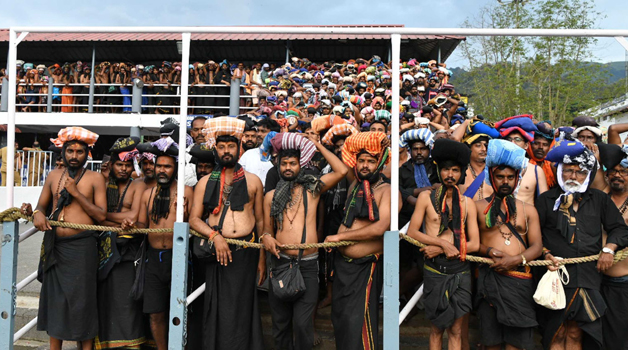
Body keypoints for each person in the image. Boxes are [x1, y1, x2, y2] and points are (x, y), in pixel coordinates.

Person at [536, 138, 628, 350]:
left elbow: (620, 229)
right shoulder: (546, 200)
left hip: (588, 275)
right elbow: (534, 237)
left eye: (580, 172)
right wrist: (545, 254)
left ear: (588, 175)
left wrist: (609, 248)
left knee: (577, 333)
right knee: (556, 333)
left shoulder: (599, 199)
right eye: (568, 170)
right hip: (554, 276)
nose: (573, 176)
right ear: (560, 171)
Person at [261, 132, 348, 350]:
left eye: (292, 163)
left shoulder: (313, 188)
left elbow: (342, 170)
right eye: (284, 164)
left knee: (302, 324)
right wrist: (267, 238)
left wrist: (318, 144)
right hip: (279, 264)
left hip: (307, 266)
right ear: (278, 166)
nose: (287, 168)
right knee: (280, 325)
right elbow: (265, 229)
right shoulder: (270, 196)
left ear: (302, 165)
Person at [188, 117, 265, 350]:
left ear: (239, 148)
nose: (226, 151)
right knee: (215, 306)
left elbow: (261, 220)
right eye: (221, 147)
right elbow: (193, 220)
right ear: (215, 149)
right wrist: (215, 236)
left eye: (231, 146)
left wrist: (262, 258)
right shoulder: (203, 182)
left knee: (243, 307)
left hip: (245, 253)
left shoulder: (253, 182)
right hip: (215, 251)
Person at [27, 127, 105, 350]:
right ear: (63, 153)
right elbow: (42, 205)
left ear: (87, 154)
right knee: (56, 302)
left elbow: (100, 215)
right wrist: (38, 214)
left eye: (80, 152)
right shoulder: (53, 176)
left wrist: (77, 193)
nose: (74, 156)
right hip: (56, 247)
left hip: (83, 249)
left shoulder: (95, 178)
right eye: (70, 151)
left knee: (83, 302)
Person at [406, 138, 480, 350]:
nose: (450, 175)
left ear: (461, 172)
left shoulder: (468, 203)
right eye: (446, 170)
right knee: (437, 328)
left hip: (460, 271)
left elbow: (475, 243)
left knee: (456, 330)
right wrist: (442, 243)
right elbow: (412, 232)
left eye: (455, 170)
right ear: (439, 171)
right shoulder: (426, 198)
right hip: (434, 270)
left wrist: (442, 248)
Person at [121, 137, 194, 350]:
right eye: (158, 166)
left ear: (175, 169)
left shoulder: (186, 193)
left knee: (179, 310)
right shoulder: (146, 194)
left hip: (178, 257)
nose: (162, 170)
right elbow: (142, 224)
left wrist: (186, 214)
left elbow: (194, 224)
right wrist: (129, 224)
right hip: (153, 259)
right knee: (155, 313)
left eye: (167, 166)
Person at [325, 131, 395, 350]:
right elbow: (341, 168)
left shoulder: (388, 191)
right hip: (342, 267)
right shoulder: (355, 185)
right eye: (361, 160)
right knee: (342, 320)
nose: (365, 165)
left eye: (371, 161)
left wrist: (340, 237)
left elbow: (380, 227)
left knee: (359, 323)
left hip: (365, 267)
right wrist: (318, 144)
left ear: (380, 163)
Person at [474, 139, 543, 350]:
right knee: (491, 342)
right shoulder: (476, 208)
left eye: (510, 177)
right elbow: (471, 243)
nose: (506, 182)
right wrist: (488, 250)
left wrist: (516, 259)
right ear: (491, 177)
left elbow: (537, 246)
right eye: (500, 177)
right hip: (489, 279)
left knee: (517, 344)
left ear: (517, 179)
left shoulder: (528, 210)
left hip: (519, 282)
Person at [95, 136, 146, 349]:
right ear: (111, 165)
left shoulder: (137, 186)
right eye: (119, 164)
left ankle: (130, 344)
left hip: (128, 252)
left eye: (127, 165)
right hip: (102, 250)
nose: (124, 169)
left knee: (126, 302)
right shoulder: (103, 184)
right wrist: (104, 217)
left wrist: (102, 216)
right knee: (104, 301)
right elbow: (94, 216)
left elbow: (135, 217)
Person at [597, 143, 628, 350]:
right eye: (613, 171)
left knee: (619, 340)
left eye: (623, 171)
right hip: (597, 280)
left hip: (623, 284)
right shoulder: (600, 196)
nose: (617, 175)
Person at [496, 115, 548, 204]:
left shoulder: (536, 171)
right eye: (509, 139)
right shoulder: (494, 168)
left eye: (517, 139)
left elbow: (544, 203)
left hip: (527, 216)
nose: (512, 143)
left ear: (526, 145)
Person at [527, 121, 556, 188]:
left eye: (545, 144)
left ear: (550, 146)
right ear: (530, 144)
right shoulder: (522, 164)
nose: (540, 147)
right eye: (536, 143)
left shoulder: (553, 166)